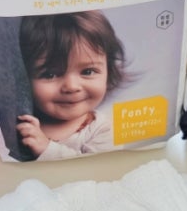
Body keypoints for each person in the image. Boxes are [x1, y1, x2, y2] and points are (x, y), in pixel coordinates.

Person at [15, 10, 128, 160]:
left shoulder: (104, 131)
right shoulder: (21, 118)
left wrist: (47, 149)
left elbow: (98, 169)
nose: (72, 87)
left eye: (88, 71)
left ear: (109, 71)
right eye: (50, 75)